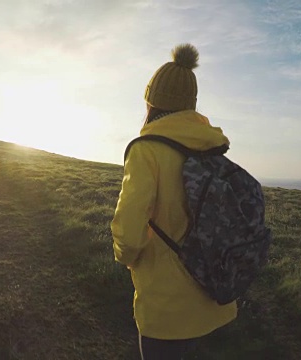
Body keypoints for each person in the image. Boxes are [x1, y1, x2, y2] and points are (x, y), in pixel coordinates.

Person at [111, 44, 237, 360]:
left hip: (166, 305)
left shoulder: (146, 150)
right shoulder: (211, 146)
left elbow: (129, 231)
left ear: (152, 102)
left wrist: (125, 257)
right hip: (213, 295)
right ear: (189, 105)